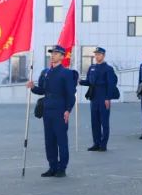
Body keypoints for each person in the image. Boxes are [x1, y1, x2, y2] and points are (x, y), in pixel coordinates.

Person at [28, 45, 77, 177]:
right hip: (47, 110)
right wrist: (33, 88)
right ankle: (52, 166)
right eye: (52, 53)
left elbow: (70, 94)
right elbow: (43, 90)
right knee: (49, 141)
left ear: (62, 56)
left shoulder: (66, 73)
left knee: (61, 140)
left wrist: (68, 110)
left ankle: (62, 168)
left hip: (60, 111)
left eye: (56, 53)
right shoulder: (47, 72)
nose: (53, 55)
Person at [79, 46, 118, 151]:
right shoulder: (92, 67)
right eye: (95, 54)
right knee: (94, 122)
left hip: (103, 97)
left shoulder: (108, 69)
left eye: (99, 54)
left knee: (104, 122)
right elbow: (89, 81)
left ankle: (103, 144)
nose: (97, 56)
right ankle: (96, 143)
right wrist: (79, 81)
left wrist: (108, 98)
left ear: (103, 55)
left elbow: (111, 84)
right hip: (94, 97)